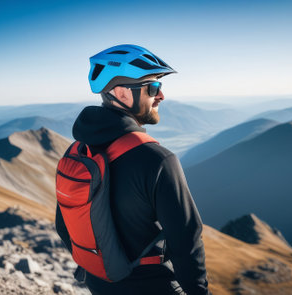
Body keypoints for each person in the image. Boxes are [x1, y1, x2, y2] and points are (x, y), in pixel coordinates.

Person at [55, 44, 210, 295]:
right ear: (122, 93)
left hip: (100, 284)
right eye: (154, 87)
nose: (161, 96)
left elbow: (64, 226)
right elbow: (186, 243)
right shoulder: (157, 159)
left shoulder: (77, 152)